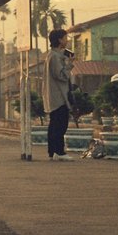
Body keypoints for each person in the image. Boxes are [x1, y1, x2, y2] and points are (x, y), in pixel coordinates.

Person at [43, 29, 75, 161]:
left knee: (55, 124)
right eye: (65, 38)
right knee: (60, 125)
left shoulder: (53, 55)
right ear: (59, 40)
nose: (67, 40)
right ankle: (59, 152)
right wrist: (69, 65)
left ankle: (53, 152)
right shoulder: (54, 57)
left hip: (55, 96)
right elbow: (61, 75)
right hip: (58, 97)